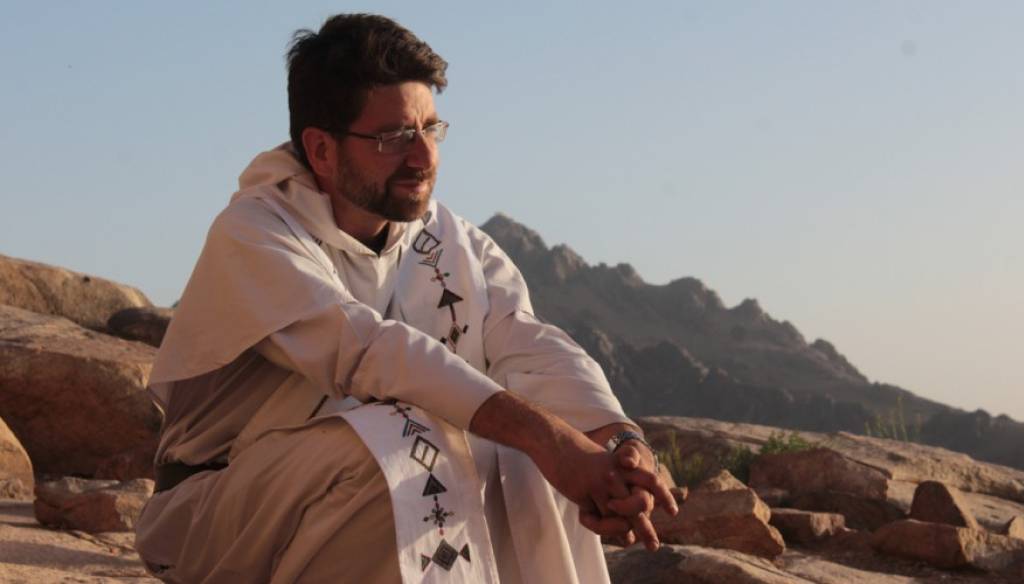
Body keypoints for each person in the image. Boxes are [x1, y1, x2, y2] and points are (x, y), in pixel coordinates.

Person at [134, 13, 676, 584]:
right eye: (393, 138)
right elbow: (368, 351)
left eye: (431, 130)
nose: (423, 157)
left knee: (523, 450)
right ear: (321, 149)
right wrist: (550, 439)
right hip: (215, 512)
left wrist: (618, 443)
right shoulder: (257, 232)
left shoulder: (453, 242)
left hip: (325, 492)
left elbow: (531, 345)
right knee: (408, 444)